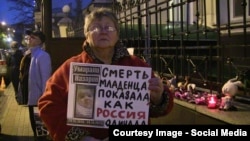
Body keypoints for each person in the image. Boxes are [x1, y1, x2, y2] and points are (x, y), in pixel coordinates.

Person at [38, 7, 173, 141]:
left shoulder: (136, 66)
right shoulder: (71, 67)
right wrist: (80, 137)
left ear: (117, 34)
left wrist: (159, 98)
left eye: (108, 28)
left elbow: (156, 108)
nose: (103, 32)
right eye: (96, 28)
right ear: (86, 34)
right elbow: (48, 105)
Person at [22, 30, 52, 140]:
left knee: (40, 131)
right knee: (35, 128)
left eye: (33, 37)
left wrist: (44, 100)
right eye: (29, 36)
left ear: (40, 41)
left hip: (38, 100)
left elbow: (46, 80)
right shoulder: (30, 55)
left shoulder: (42, 56)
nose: (29, 38)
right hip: (32, 99)